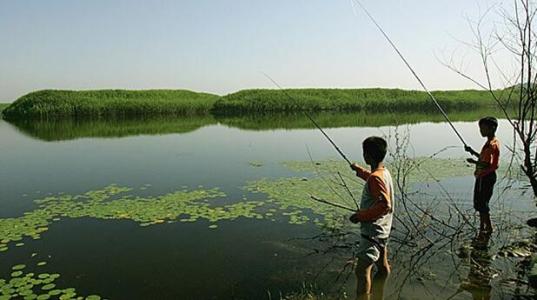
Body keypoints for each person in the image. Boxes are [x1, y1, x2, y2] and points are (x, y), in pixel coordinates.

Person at [349, 136, 394, 300]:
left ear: (367, 156)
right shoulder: (383, 173)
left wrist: (360, 216)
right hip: (383, 229)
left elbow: (384, 205)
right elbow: (374, 181)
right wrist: (360, 171)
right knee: (382, 266)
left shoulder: (376, 178)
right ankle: (379, 293)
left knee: (362, 270)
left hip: (373, 232)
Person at [465, 117, 500, 233]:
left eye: (483, 128)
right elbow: (484, 158)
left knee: (482, 204)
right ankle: (482, 228)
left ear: (492, 128)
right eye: (480, 128)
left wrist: (474, 162)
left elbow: (491, 165)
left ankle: (489, 228)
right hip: (483, 177)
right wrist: (472, 151)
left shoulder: (492, 145)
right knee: (480, 203)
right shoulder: (491, 142)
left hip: (486, 177)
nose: (481, 131)